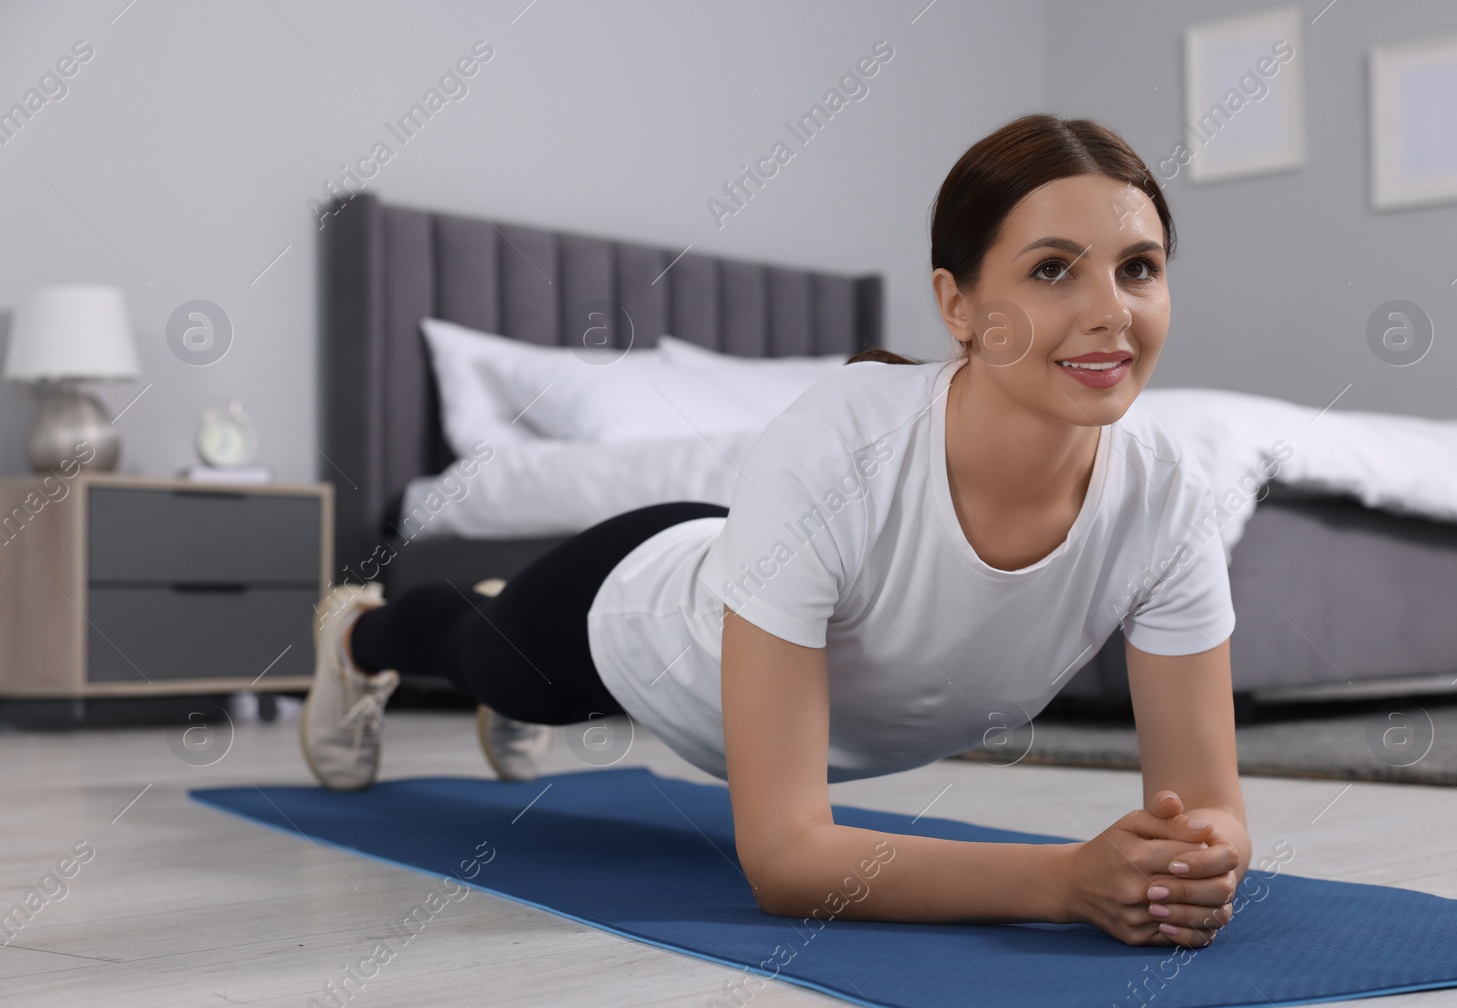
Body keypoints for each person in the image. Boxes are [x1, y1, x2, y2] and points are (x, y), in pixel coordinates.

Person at [300, 113, 1250, 949]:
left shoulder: (1169, 496)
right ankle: (356, 631)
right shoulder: (839, 442)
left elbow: (1212, 809)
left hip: (752, 565)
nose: (1109, 314)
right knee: (488, 657)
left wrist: (1197, 859)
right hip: (639, 613)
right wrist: (1064, 883)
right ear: (956, 305)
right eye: (1053, 270)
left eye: (1139, 268)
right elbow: (788, 860)